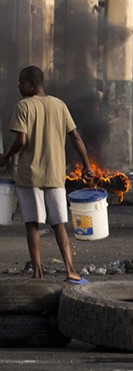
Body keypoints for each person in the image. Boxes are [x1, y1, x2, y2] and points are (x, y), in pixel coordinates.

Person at [0, 66, 94, 284]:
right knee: (58, 223)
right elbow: (76, 137)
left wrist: (5, 156)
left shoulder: (23, 106)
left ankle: (38, 272)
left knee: (32, 223)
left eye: (22, 82)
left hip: (30, 175)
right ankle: (70, 270)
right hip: (55, 175)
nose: (18, 86)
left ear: (33, 84)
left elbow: (21, 140)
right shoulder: (59, 105)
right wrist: (87, 165)